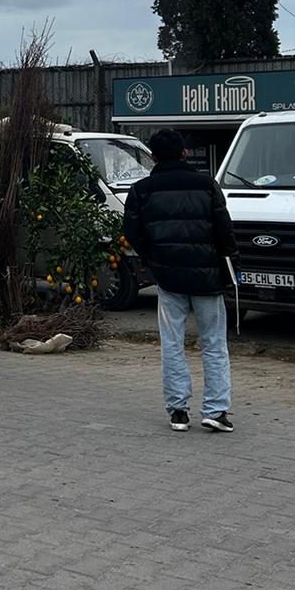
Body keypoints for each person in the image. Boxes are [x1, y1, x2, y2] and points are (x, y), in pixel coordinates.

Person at [124, 128, 239, 433]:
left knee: (172, 343)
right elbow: (224, 231)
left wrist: (154, 259)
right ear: (184, 153)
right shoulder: (207, 185)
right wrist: (228, 261)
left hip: (168, 277)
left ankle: (178, 412)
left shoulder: (141, 190)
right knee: (214, 343)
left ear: (153, 157)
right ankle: (215, 410)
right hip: (208, 277)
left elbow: (133, 233)